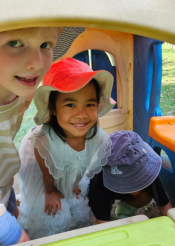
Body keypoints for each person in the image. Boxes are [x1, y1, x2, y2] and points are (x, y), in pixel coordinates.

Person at [0, 27, 85, 245]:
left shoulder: (23, 92)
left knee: (15, 217)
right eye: (14, 43)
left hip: (1, 180)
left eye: (45, 45)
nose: (37, 63)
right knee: (22, 240)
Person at [17, 57, 115, 239]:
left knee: (75, 191)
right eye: (70, 104)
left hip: (61, 167)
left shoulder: (97, 136)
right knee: (48, 213)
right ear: (53, 108)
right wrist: (51, 191)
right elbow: (48, 174)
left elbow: (82, 162)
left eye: (90, 104)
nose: (82, 114)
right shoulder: (43, 140)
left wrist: (72, 183)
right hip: (42, 171)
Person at [88, 131, 173, 224]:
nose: (137, 187)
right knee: (102, 207)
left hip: (122, 188)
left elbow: (165, 207)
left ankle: (123, 211)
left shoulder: (147, 168)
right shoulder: (98, 179)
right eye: (133, 182)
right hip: (108, 189)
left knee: (146, 196)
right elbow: (102, 222)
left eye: (141, 180)